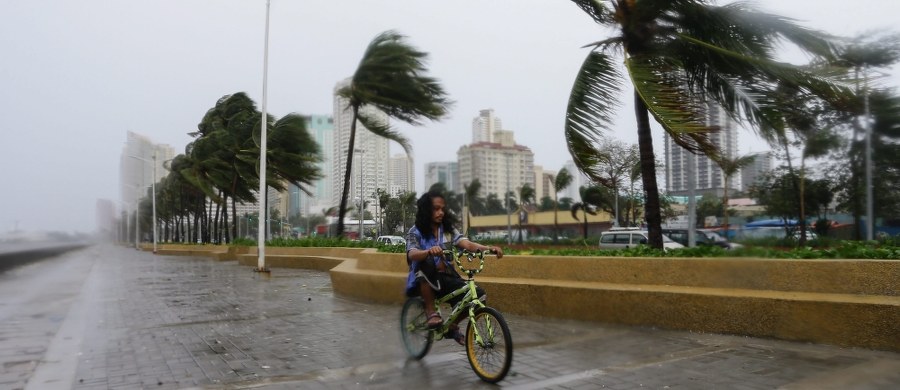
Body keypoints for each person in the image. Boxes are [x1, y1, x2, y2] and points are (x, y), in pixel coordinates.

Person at [405, 191, 503, 345]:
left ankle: (452, 326)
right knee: (427, 262)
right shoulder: (415, 231)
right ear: (426, 210)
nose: (441, 213)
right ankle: (431, 312)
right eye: (436, 209)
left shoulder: (448, 231)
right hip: (423, 280)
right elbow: (412, 254)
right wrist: (428, 252)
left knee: (478, 294)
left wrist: (489, 248)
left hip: (446, 278)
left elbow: (468, 244)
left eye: (442, 209)